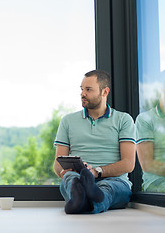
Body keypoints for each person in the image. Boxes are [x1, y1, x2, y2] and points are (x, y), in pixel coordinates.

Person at [54, 70, 136, 214]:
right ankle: (87, 199)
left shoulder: (124, 120)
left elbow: (128, 164)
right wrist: (62, 171)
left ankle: (82, 201)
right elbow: (57, 162)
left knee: (109, 188)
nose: (82, 94)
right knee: (70, 178)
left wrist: (96, 172)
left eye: (88, 89)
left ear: (105, 92)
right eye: (81, 89)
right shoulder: (68, 121)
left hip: (114, 180)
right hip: (79, 177)